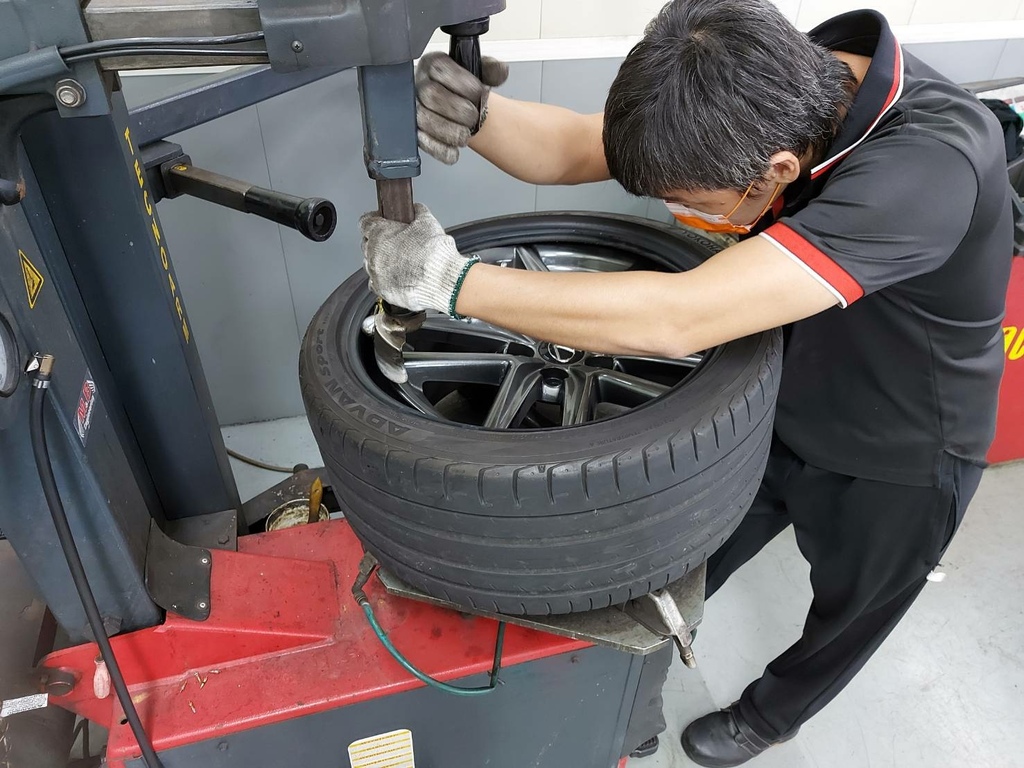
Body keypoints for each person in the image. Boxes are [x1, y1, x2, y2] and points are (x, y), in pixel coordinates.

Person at [359, 1, 1014, 765]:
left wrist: (448, 282)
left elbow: (682, 315)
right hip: (776, 392)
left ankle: (771, 716)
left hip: (903, 445)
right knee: (684, 550)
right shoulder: (768, 84)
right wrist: (481, 117)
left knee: (853, 608)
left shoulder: (930, 167)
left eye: (691, 204)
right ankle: (654, 658)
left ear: (778, 172)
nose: (676, 214)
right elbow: (579, 144)